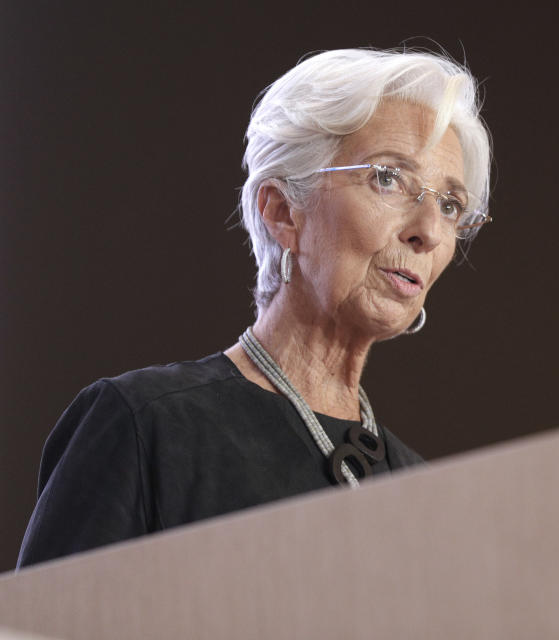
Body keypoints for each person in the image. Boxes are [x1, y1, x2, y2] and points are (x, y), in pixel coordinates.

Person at [17, 48, 493, 568]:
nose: (428, 230)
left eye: (450, 206)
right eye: (388, 178)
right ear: (282, 210)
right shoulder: (144, 427)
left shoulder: (425, 496)